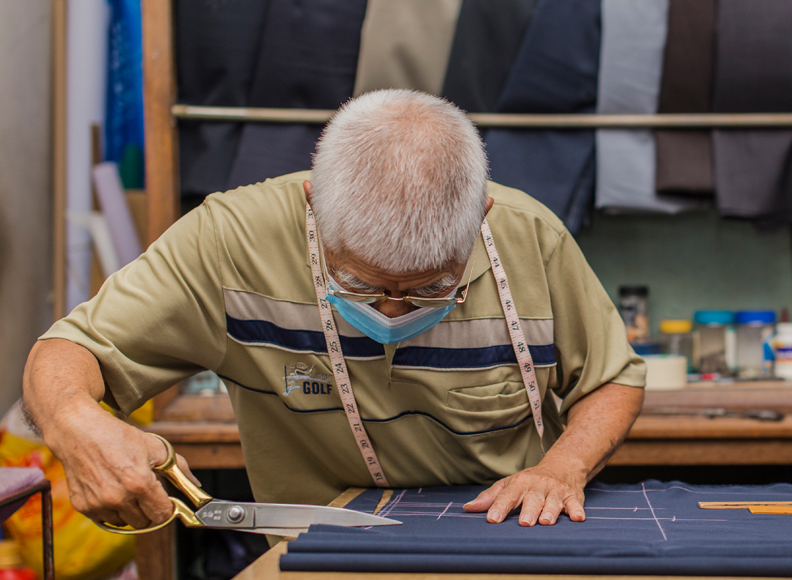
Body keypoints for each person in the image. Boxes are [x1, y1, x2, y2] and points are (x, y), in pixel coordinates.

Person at [22, 89, 645, 531]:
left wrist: (562, 469)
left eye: (430, 289)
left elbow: (612, 377)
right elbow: (67, 351)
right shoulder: (229, 240)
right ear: (312, 207)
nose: (393, 309)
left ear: (481, 219)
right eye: (361, 283)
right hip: (317, 549)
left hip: (509, 533)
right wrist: (77, 422)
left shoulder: (530, 235)